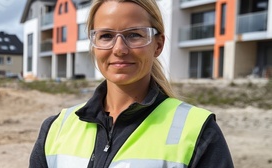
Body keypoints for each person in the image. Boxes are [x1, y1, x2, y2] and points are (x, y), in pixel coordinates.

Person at [29, 0, 234, 167]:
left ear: (158, 45)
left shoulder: (198, 131)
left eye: (134, 35)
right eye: (106, 36)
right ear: (93, 45)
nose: (119, 49)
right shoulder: (56, 129)